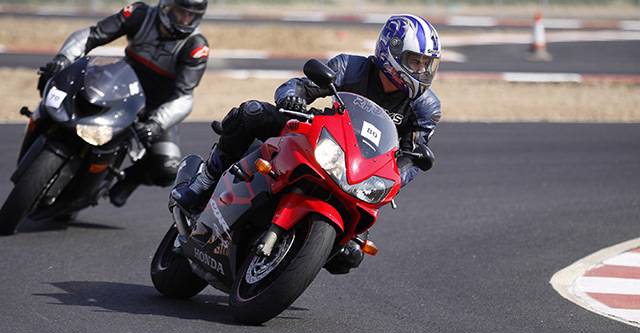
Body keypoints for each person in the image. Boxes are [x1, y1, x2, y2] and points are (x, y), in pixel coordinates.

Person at [172, 14, 442, 273]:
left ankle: (302, 251)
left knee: (349, 257)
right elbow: (300, 85)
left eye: (426, 64)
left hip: (361, 175)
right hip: (323, 138)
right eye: (414, 61)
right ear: (390, 52)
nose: (421, 70)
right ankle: (204, 180)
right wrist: (293, 97)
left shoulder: (425, 107)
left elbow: (413, 157)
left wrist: (390, 182)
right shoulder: (351, 68)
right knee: (251, 112)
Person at [30, 0, 210, 207]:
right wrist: (63, 58)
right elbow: (92, 34)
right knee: (62, 95)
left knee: (167, 168)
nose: (185, 19)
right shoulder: (140, 14)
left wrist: (156, 124)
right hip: (117, 87)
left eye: (191, 15)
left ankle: (128, 180)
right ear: (166, 7)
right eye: (180, 12)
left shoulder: (196, 46)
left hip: (156, 109)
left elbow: (184, 97)